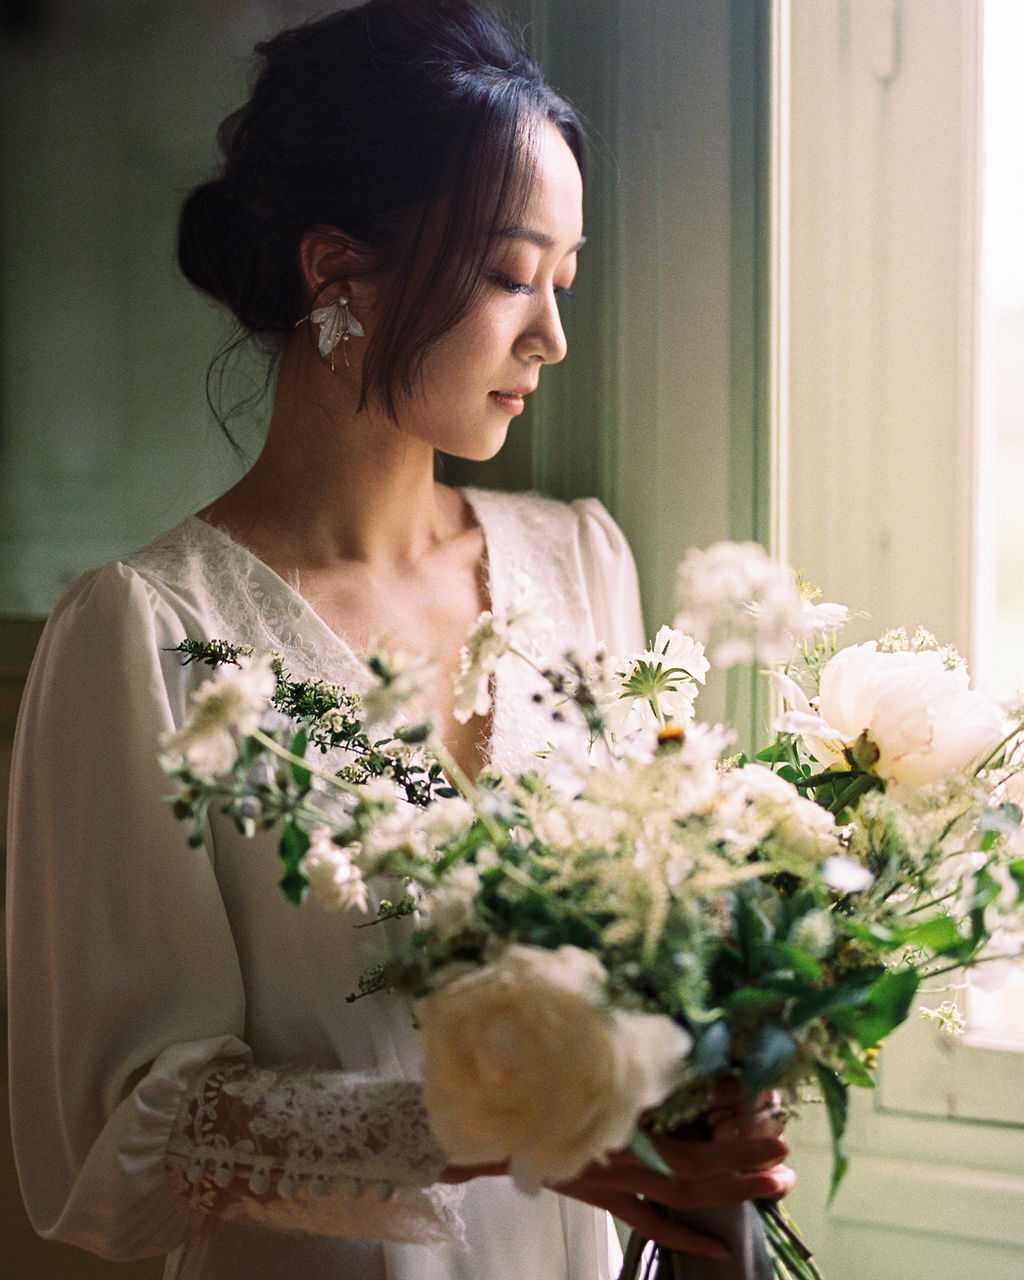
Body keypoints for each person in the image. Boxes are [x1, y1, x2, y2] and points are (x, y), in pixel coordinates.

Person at [5, 2, 795, 1277]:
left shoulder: (580, 560)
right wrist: (495, 1127)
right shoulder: (150, 633)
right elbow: (121, 1131)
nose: (551, 337)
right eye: (507, 274)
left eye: (563, 282)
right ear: (337, 270)